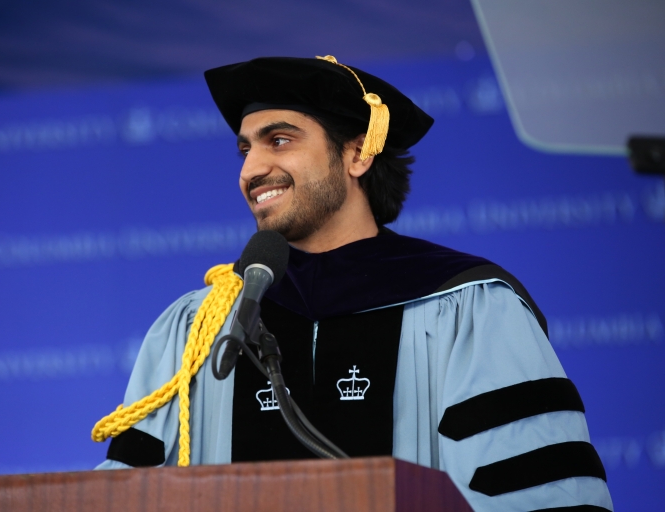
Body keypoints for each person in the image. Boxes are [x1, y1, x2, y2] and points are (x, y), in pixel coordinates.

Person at [94, 56, 613, 511]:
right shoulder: (197, 327)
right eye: (244, 150)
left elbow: (540, 498)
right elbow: (127, 496)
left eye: (279, 140)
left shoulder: (470, 308)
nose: (252, 168)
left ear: (358, 154)